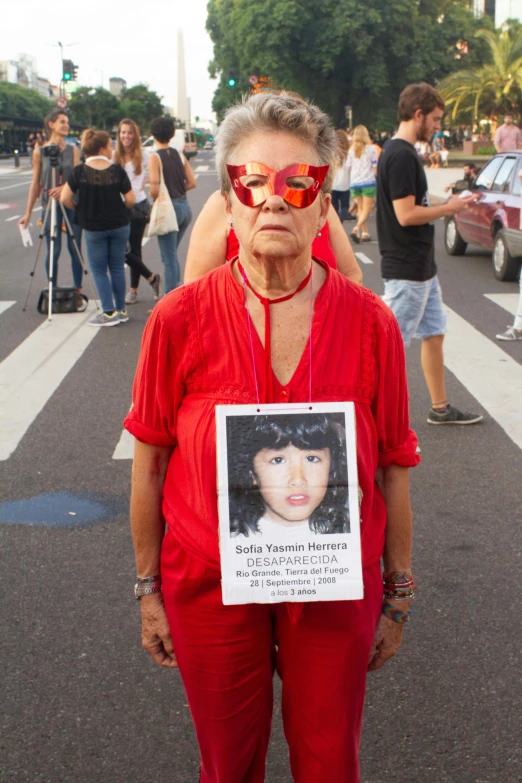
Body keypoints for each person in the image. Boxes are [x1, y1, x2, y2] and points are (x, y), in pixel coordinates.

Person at [124, 91, 419, 783]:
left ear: (325, 206)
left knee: (329, 762)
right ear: (228, 200)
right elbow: (149, 463)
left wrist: (397, 592)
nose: (274, 200)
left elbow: (395, 469)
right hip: (210, 582)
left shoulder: (373, 323)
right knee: (227, 765)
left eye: (300, 182)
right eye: (251, 182)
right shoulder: (179, 319)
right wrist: (146, 589)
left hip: (332, 582)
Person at [376, 82, 484, 425]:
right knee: (388, 353)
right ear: (418, 114)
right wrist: (448, 209)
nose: (438, 127)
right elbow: (406, 215)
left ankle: (440, 408)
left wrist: (451, 203)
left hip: (421, 267)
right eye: (435, 119)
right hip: (408, 269)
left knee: (434, 334)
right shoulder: (401, 155)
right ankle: (378, 425)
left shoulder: (399, 152)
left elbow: (414, 203)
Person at [184, 189, 363, 284]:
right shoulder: (223, 203)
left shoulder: (315, 201)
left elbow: (352, 275)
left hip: (323, 345)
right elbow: (195, 291)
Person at [227, 413, 350, 537]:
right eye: (278, 460)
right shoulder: (233, 540)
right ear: (252, 473)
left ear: (331, 467)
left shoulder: (350, 531)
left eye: (312, 458)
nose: (298, 479)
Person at [60, 129, 136, 327]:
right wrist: (118, 208)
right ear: (102, 148)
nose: (112, 149)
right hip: (119, 224)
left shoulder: (80, 172)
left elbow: (64, 198)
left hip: (93, 227)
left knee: (99, 270)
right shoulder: (117, 170)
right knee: (118, 267)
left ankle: (108, 312)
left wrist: (80, 209)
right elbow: (130, 199)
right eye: (110, 145)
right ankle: (121, 310)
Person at [18, 110, 84, 308]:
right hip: (49, 206)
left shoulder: (73, 150)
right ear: (51, 124)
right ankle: (52, 292)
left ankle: (78, 290)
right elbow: (36, 183)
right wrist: (28, 212)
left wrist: (63, 188)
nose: (66, 125)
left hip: (72, 204)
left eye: (67, 122)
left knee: (75, 250)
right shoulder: (40, 151)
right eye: (62, 122)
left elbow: (79, 176)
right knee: (52, 251)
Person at [113, 118, 161, 305]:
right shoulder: (114, 155)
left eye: (129, 132)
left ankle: (133, 290)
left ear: (135, 135)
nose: (126, 136)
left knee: (133, 248)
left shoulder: (144, 154)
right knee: (124, 250)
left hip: (138, 205)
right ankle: (151, 278)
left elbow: (156, 171)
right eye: (123, 132)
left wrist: (146, 182)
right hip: (120, 206)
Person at [148, 116, 196, 293]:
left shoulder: (155, 157)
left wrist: (154, 190)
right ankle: (176, 293)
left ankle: (170, 301)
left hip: (170, 211)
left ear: (153, 134)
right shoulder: (179, 154)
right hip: (185, 208)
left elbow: (154, 190)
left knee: (168, 258)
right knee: (172, 255)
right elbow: (192, 182)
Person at [347, 124, 378, 243]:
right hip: (368, 181)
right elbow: (375, 166)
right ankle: (357, 228)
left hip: (355, 182)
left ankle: (365, 232)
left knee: (360, 209)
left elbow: (348, 166)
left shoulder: (351, 150)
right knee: (367, 209)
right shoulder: (371, 149)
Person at [331, 129, 352, 222]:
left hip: (333, 185)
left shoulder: (331, 153)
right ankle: (340, 222)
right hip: (345, 185)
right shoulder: (349, 154)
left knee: (333, 209)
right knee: (345, 207)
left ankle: (336, 224)